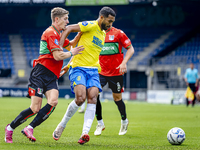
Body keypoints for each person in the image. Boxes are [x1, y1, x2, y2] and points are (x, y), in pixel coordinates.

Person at [4, 7, 84, 143]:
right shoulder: (51, 32)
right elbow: (58, 56)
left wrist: (81, 33)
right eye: (65, 18)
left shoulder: (59, 34)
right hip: (40, 73)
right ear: (56, 19)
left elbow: (70, 45)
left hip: (52, 75)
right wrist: (72, 53)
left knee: (53, 101)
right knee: (35, 108)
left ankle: (30, 127)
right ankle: (10, 128)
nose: (68, 21)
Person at [52, 7, 116, 145]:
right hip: (79, 69)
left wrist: (67, 64)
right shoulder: (90, 25)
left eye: (112, 22)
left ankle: (84, 133)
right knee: (80, 98)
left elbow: (86, 51)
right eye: (109, 21)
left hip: (93, 71)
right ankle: (61, 125)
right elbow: (68, 29)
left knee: (93, 98)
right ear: (102, 18)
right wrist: (59, 47)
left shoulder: (103, 34)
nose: (111, 25)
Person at [94, 26, 134, 136]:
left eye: (112, 21)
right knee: (94, 95)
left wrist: (124, 62)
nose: (110, 23)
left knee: (117, 98)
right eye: (108, 20)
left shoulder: (119, 33)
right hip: (100, 71)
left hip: (116, 73)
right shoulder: (96, 32)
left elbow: (131, 49)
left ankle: (124, 121)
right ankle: (100, 123)